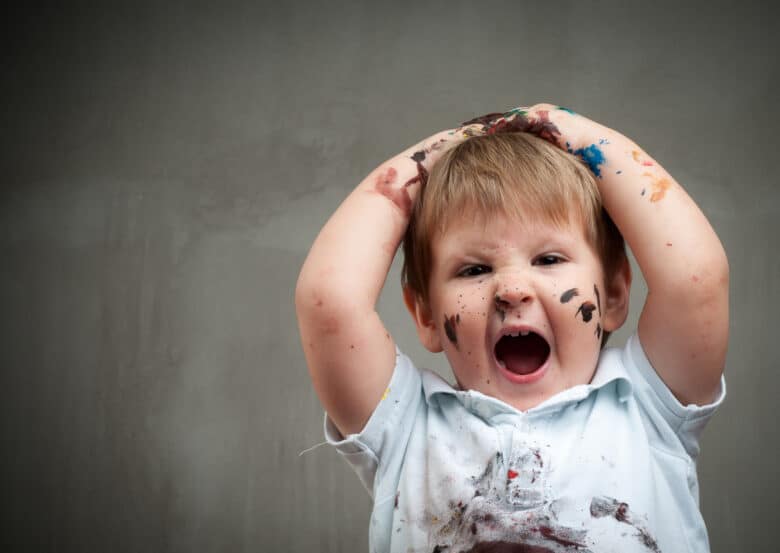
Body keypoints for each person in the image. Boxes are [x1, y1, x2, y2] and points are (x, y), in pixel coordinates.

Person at [295, 104, 728, 552]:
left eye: (549, 260)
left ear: (614, 295)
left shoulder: (648, 406)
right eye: (474, 269)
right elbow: (330, 303)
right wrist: (435, 155)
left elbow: (695, 279)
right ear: (426, 315)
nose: (512, 289)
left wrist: (562, 126)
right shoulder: (405, 425)